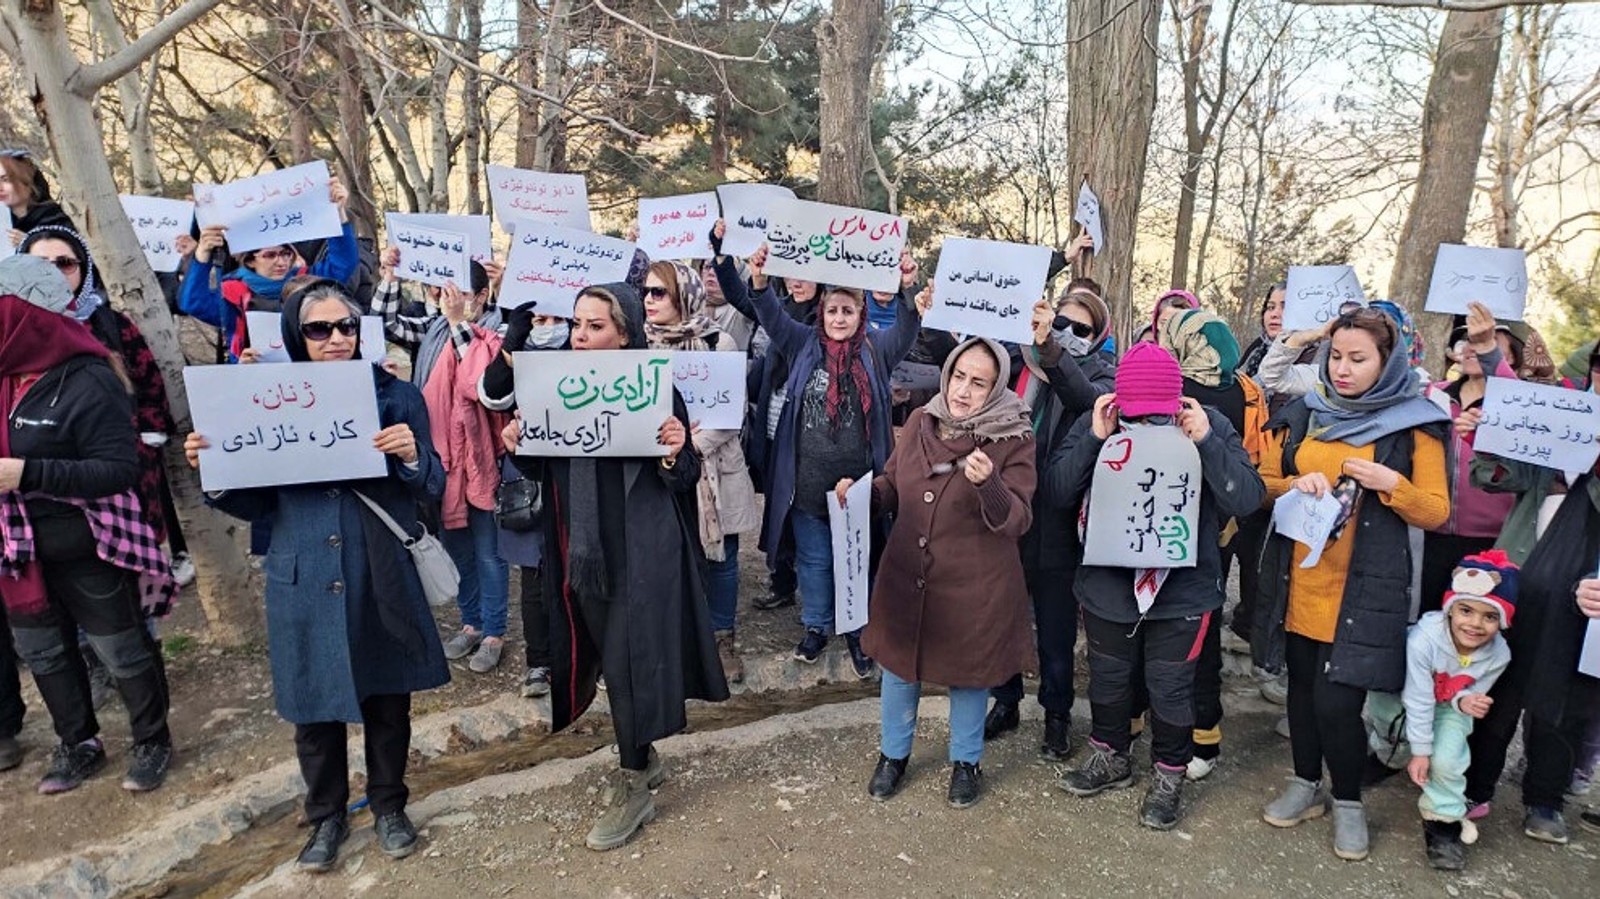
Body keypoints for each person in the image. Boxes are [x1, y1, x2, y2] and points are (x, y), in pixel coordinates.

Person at [184, 279, 449, 871]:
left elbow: (433, 485)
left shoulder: (397, 396)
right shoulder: (261, 399)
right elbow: (258, 504)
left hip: (378, 567)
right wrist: (215, 471)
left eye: (346, 326)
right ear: (294, 336)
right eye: (318, 328)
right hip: (301, 572)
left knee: (388, 697)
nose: (336, 338)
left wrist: (411, 456)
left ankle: (389, 806)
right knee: (313, 706)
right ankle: (326, 817)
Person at [499, 283, 728, 852]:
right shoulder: (552, 384)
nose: (580, 336)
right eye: (577, 324)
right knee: (607, 661)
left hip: (642, 557)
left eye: (595, 326)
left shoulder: (657, 388)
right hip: (582, 554)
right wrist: (518, 443)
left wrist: (675, 450)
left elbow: (684, 476)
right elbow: (543, 466)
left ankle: (633, 785)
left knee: (627, 666)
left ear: (624, 333)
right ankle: (644, 760)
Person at [1254, 307, 1450, 861]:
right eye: (1335, 356)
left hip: (1361, 593)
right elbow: (1262, 483)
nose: (1342, 369)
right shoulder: (1304, 411)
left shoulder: (1414, 424)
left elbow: (1436, 510)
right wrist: (1294, 484)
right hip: (1299, 580)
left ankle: (1347, 802)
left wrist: (1392, 484)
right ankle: (1304, 784)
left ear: (1388, 362)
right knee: (1299, 691)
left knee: (1338, 705)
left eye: (1358, 359)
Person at [1049, 343, 1264, 830]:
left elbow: (1247, 498)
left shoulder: (1208, 423)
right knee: (1108, 678)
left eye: (1157, 414)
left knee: (1170, 687)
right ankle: (1110, 755)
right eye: (1138, 414)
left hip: (1183, 589)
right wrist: (1094, 439)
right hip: (1108, 584)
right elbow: (1058, 491)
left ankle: (1169, 774)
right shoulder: (1099, 421)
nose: (1147, 423)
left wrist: (1206, 441)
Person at [0, 254, 175, 795]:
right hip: (17, 550)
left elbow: (119, 469)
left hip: (88, 544)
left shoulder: (90, 377)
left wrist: (28, 473)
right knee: (44, 652)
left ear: (24, 318)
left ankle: (152, 741)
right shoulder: (4, 378)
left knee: (121, 649)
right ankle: (78, 743)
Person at [711, 234, 921, 674]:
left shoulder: (876, 349)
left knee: (856, 561)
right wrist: (760, 279)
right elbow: (769, 314)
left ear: (861, 314)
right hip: (805, 484)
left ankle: (858, 633)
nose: (839, 318)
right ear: (821, 313)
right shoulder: (802, 341)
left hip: (859, 488)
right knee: (814, 559)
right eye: (832, 310)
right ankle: (816, 626)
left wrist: (906, 288)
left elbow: (907, 330)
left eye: (848, 311)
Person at [842, 337, 1036, 809]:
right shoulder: (920, 421)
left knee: (968, 675)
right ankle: (893, 755)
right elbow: (894, 481)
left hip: (974, 585)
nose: (963, 391)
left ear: (997, 388)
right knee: (898, 667)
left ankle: (966, 762)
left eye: (979, 383)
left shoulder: (1012, 437)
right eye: (959, 377)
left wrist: (989, 483)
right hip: (907, 574)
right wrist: (864, 496)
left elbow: (1017, 519)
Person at [1458, 340, 1600, 844]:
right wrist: (1487, 438)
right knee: (1496, 685)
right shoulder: (1557, 422)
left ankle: (1545, 799)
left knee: (1565, 701)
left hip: (1586, 597)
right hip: (1518, 576)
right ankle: (1474, 787)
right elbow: (1500, 476)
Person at [984, 283, 1116, 759]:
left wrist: (1051, 349)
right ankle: (1005, 701)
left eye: (1082, 329)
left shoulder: (1102, 374)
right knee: (1002, 617)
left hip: (1059, 521)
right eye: (1062, 323)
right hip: (1007, 510)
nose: (1068, 333)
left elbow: (1081, 398)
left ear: (1098, 337)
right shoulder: (1016, 361)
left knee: (1056, 630)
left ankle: (1057, 715)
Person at [19, 226, 191, 587]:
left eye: (64, 263)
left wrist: (147, 436)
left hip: (119, 473)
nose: (53, 273)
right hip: (36, 484)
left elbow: (149, 382)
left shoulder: (110, 324)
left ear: (83, 270)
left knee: (127, 583)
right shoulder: (11, 333)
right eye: (40, 265)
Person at [374, 258, 511, 673]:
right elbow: (386, 324)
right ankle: (471, 623)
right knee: (458, 547)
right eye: (441, 290)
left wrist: (457, 322)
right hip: (440, 459)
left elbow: (480, 384)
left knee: (489, 551)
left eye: (459, 293)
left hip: (482, 460)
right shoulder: (433, 327)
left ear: (482, 296)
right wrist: (390, 276)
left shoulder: (499, 330)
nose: (446, 298)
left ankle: (494, 632)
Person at [642, 261, 759, 685]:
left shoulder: (717, 342)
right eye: (646, 291)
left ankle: (721, 638)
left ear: (684, 295)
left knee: (722, 557)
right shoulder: (638, 345)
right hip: (660, 472)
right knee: (667, 555)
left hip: (714, 470)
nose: (649, 300)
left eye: (659, 292)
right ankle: (674, 639)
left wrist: (689, 446)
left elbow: (731, 412)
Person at [1364, 551, 1515, 871]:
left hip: (1449, 706)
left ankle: (1443, 824)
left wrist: (1465, 701)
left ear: (1502, 621)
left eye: (1490, 617)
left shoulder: (1500, 654)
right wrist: (1421, 752)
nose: (1475, 624)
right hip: (1402, 696)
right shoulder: (1423, 640)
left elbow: (1473, 689)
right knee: (1392, 729)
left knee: (1448, 760)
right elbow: (1418, 697)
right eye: (1466, 610)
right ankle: (1390, 755)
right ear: (1450, 609)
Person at [1156, 304, 1247, 780]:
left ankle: (1192, 736)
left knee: (1186, 638)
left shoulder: (1188, 395)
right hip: (1203, 531)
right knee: (1195, 637)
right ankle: (1196, 737)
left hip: (1177, 530)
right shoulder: (1240, 388)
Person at [479, 308, 569, 698]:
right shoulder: (519, 354)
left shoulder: (586, 353)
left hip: (578, 479)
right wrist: (512, 344)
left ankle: (584, 660)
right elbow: (492, 395)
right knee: (534, 577)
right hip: (529, 481)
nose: (548, 329)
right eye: (539, 321)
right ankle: (540, 662)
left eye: (556, 320)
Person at [177, 176, 358, 360]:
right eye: (270, 255)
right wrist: (202, 253)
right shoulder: (233, 292)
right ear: (250, 260)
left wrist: (338, 213)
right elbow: (193, 303)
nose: (281, 262)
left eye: (286, 254)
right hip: (253, 373)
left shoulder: (308, 281)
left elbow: (343, 263)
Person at [1418, 303, 1518, 613]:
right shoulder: (1433, 394)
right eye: (1467, 341)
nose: (1473, 347)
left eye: (1487, 342)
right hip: (1431, 535)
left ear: (1510, 357)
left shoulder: (1517, 401)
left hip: (1492, 541)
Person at [1, 150, 74, 245]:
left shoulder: (53, 216)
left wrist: (30, 242)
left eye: (6, 180)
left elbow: (74, 249)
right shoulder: (6, 223)